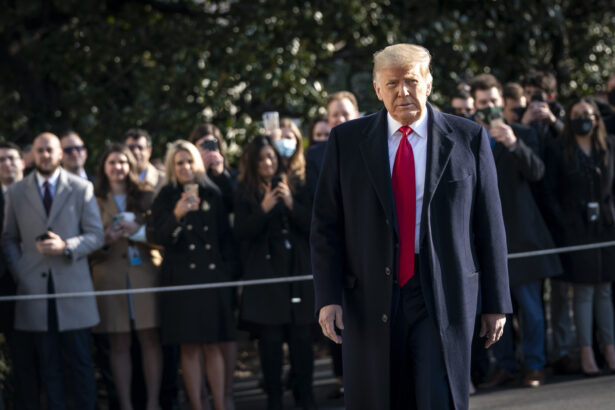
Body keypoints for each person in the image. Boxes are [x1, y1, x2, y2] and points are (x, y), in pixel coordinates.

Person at [311, 44, 511, 410]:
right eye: (392, 84)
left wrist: (497, 301)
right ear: (377, 89)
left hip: (441, 292)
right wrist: (327, 297)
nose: (402, 92)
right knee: (382, 396)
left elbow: (489, 223)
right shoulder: (347, 141)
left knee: (436, 395)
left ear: (428, 84)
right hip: (370, 294)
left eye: (411, 81)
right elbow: (326, 225)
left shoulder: (469, 138)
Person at [470, 74, 562, 388]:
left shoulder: (522, 133)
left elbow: (537, 172)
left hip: (524, 236)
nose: (489, 107)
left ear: (503, 102)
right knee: (496, 313)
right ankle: (506, 365)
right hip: (487, 241)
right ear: (474, 107)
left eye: (494, 101)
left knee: (532, 310)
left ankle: (534, 365)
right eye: (483, 103)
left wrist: (512, 143)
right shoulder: (467, 138)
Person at [2, 132, 104, 409]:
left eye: (50, 150)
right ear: (32, 155)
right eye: (40, 150)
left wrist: (66, 246)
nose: (45, 155)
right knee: (48, 367)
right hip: (33, 291)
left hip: (74, 290)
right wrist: (20, 269)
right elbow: (9, 237)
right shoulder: (16, 191)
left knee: (81, 364)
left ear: (60, 154)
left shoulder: (81, 187)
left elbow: (96, 235)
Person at [149, 140, 236, 410]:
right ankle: (199, 405)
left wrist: (228, 275)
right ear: (172, 167)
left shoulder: (212, 193)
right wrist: (177, 214)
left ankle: (221, 404)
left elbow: (226, 238)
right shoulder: (165, 196)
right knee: (189, 348)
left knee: (213, 345)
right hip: (181, 279)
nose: (185, 167)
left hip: (212, 277)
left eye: (189, 161)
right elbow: (157, 238)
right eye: (179, 163)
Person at [234, 135, 316, 410]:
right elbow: (242, 233)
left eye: (271, 157)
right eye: (261, 159)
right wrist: (264, 209)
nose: (267, 162)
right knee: (269, 344)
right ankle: (274, 399)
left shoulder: (297, 185)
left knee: (302, 341)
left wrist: (291, 203)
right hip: (266, 279)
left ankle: (306, 396)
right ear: (253, 163)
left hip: (297, 275)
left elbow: (313, 225)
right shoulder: (244, 192)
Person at [544, 97, 615, 376]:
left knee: (605, 290)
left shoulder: (609, 146)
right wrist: (564, 222)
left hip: (606, 227)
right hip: (574, 229)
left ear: (596, 118)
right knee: (583, 292)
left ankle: (610, 349)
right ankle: (585, 353)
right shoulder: (558, 149)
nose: (582, 118)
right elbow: (549, 192)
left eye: (587, 114)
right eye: (576, 114)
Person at [89, 144, 163, 410]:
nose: (117, 167)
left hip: (144, 274)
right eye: (112, 162)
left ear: (130, 165)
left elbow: (161, 235)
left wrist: (138, 230)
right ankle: (127, 405)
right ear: (103, 167)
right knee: (118, 342)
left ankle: (153, 403)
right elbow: (86, 243)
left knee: (149, 340)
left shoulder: (147, 196)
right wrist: (104, 240)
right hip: (110, 278)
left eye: (122, 162)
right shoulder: (92, 199)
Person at [188, 123, 238, 409]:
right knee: (198, 336)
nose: (208, 151)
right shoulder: (186, 175)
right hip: (195, 266)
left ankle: (227, 392)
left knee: (224, 329)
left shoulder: (227, 176)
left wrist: (219, 174)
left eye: (212, 145)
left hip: (225, 261)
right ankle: (202, 397)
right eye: (202, 145)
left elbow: (234, 209)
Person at [0, 142, 40, 410]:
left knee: (28, 356)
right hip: (2, 285)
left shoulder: (37, 192)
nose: (7, 163)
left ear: (23, 162)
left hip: (34, 285)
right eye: (1, 159)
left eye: (12, 158)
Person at [305, 91, 360, 199]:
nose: (340, 119)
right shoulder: (314, 154)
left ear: (356, 115)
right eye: (335, 115)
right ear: (329, 120)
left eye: (345, 114)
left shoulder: (372, 149)